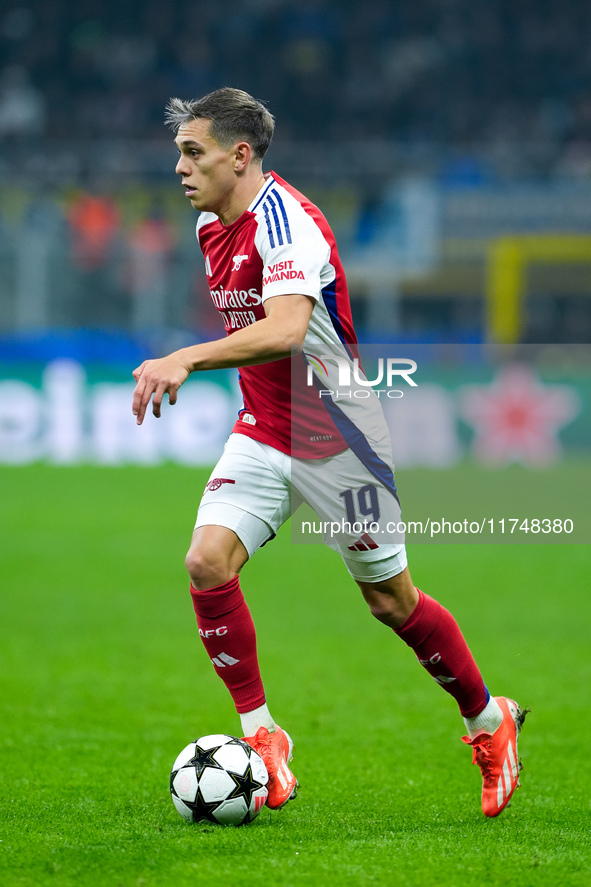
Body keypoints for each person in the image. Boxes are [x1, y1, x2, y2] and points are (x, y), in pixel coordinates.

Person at [132, 87, 527, 818]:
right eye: (180, 152)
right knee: (204, 561)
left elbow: (283, 330)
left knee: (389, 601)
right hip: (261, 426)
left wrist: (185, 356)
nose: (180, 167)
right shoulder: (207, 225)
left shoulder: (289, 226)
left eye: (194, 152)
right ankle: (264, 735)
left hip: (335, 439)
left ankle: (486, 719)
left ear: (239, 155)